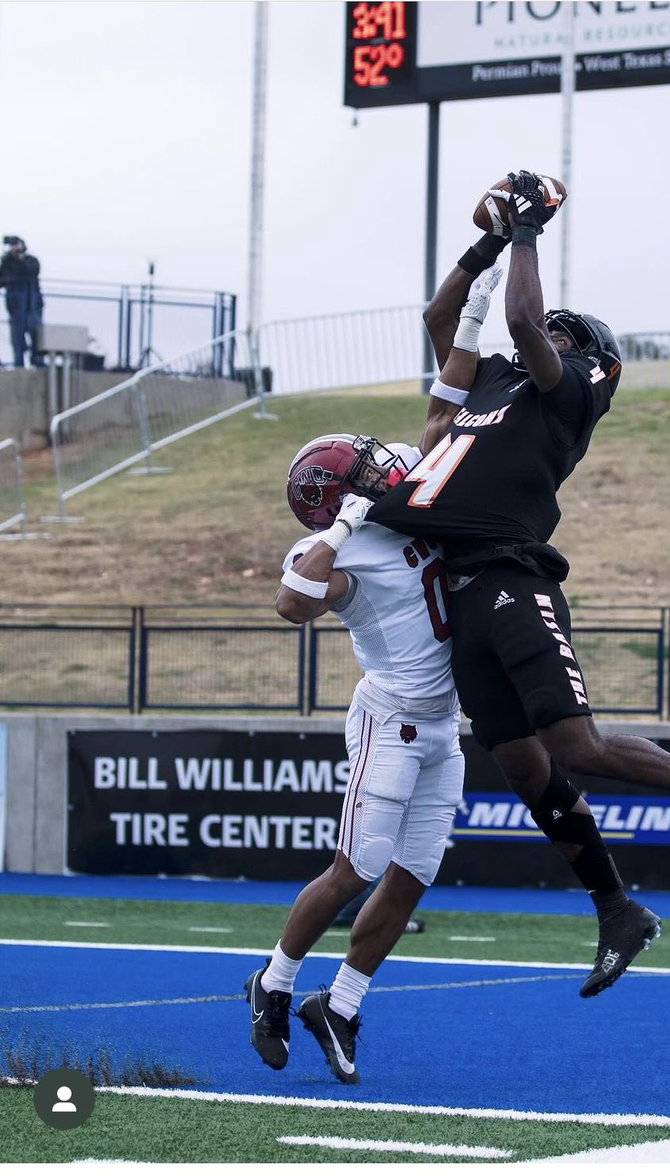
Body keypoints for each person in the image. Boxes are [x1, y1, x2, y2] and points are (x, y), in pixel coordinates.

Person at [366, 170, 670, 997]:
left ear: (586, 353)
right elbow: (441, 321)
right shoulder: (493, 384)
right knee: (522, 767)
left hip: (513, 576)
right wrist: (485, 243)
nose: (537, 331)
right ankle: (617, 909)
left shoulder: (572, 392)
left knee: (575, 746)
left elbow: (522, 315)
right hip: (464, 592)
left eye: (555, 330)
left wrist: (525, 232)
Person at [245, 426, 470, 1085]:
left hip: (442, 726)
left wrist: (468, 325)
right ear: (337, 498)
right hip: (389, 719)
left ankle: (339, 1006)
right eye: (362, 470)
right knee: (360, 865)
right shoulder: (333, 547)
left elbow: (438, 425)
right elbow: (292, 603)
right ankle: (274, 981)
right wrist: (344, 525)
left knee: (413, 872)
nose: (380, 470)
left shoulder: (403, 497)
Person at [0, 236, 44, 368]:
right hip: (16, 307)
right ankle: (19, 365)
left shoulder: (31, 261)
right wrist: (7, 259)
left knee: (36, 337)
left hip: (33, 306)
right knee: (17, 340)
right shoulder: (8, 262)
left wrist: (18, 258)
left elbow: (31, 271)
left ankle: (38, 362)